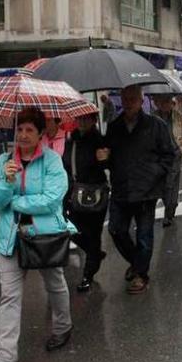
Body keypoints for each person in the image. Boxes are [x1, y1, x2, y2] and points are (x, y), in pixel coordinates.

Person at [0, 107, 77, 362]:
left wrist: (17, 202)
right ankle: (5, 358)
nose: (23, 135)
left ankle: (62, 326)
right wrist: (8, 183)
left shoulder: (51, 161)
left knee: (54, 284)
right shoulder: (4, 162)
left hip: (43, 235)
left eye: (29, 130)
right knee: (9, 297)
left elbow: (52, 199)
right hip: (10, 237)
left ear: (39, 134)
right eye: (19, 129)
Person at [105, 86, 175, 293]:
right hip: (121, 189)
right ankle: (137, 263)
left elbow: (169, 155)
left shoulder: (156, 125)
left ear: (141, 99)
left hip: (146, 191)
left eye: (133, 98)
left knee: (144, 235)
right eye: (125, 98)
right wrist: (103, 158)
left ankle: (140, 275)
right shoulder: (114, 126)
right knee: (116, 230)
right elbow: (108, 158)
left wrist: (154, 173)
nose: (128, 102)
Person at [63, 113, 109, 292]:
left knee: (93, 234)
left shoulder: (100, 141)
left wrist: (104, 160)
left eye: (86, 119)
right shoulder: (71, 141)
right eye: (79, 119)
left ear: (94, 121)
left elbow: (107, 165)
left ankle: (88, 275)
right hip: (75, 194)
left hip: (95, 195)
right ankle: (95, 253)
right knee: (70, 229)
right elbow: (65, 165)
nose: (82, 122)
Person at [153, 95, 182, 227]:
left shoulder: (179, 117)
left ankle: (168, 214)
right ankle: (171, 206)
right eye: (161, 102)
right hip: (159, 157)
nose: (164, 105)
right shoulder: (153, 117)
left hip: (175, 154)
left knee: (170, 184)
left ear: (172, 103)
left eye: (167, 102)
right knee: (164, 186)